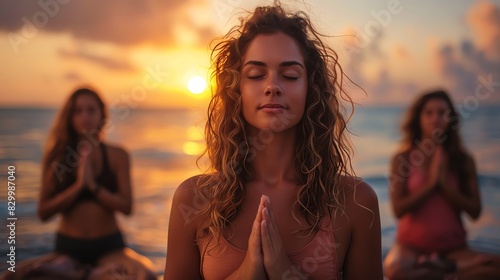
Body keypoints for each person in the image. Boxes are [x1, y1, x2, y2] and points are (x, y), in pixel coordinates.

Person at [164, 4, 382, 280]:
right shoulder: (195, 200)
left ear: (310, 89)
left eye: (290, 75)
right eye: (256, 75)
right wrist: (245, 273)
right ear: (237, 90)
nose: (272, 86)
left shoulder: (355, 201)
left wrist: (285, 273)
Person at [0, 87, 156, 280]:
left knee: (146, 275)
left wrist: (93, 187)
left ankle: (80, 273)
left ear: (102, 114)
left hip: (109, 247)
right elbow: (44, 212)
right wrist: (79, 186)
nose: (85, 116)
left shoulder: (118, 155)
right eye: (78, 111)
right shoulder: (56, 158)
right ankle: (89, 273)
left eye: (91, 110)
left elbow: (127, 207)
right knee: (10, 277)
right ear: (70, 117)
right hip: (68, 249)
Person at [383, 90, 500, 280]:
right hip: (410, 247)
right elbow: (398, 209)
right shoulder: (402, 158)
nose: (435, 118)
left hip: (453, 249)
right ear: (419, 118)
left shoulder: (463, 160)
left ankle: (442, 268)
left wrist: (445, 185)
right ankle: (452, 272)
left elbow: (475, 212)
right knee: (394, 270)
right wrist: (431, 183)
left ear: (451, 118)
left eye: (442, 113)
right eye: (429, 113)